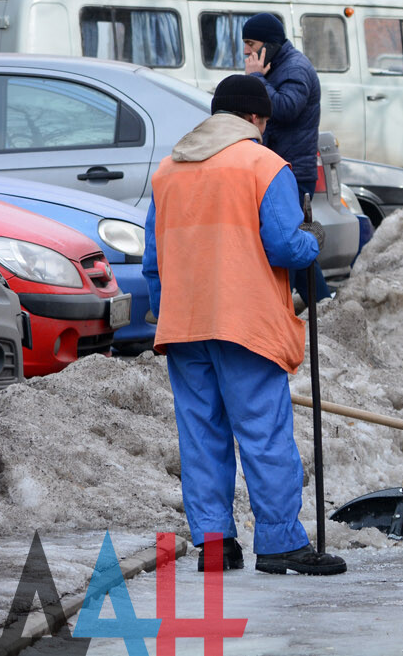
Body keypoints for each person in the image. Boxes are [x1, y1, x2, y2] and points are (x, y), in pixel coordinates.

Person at [143, 74, 346, 576]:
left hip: (184, 324)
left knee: (201, 437)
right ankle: (279, 544)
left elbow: (153, 261)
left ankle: (216, 546)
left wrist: (168, 311)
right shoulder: (262, 164)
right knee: (263, 433)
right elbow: (283, 245)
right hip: (245, 322)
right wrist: (312, 240)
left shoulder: (168, 171)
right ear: (256, 119)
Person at [241, 12, 327, 304]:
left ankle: (323, 305)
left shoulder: (296, 68)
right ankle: (312, 303)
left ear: (270, 43)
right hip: (278, 169)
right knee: (284, 243)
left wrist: (255, 80)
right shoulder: (274, 66)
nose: (246, 52)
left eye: (251, 43)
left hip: (293, 172)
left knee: (293, 244)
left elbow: (286, 108)